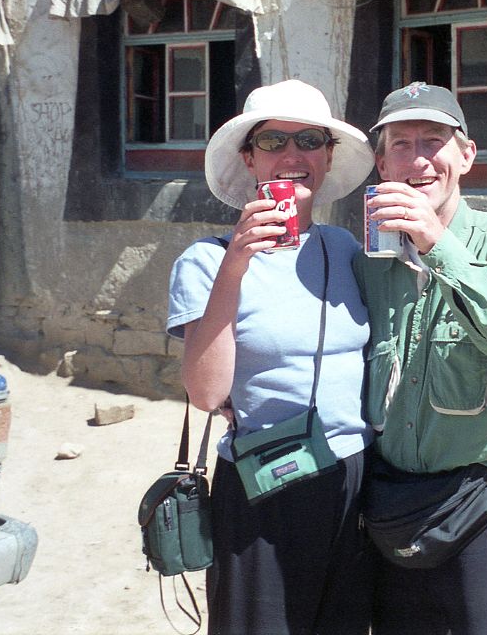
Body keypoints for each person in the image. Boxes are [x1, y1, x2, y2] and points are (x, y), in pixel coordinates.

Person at [166, 79, 375, 634]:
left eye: (309, 140)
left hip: (352, 474)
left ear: (328, 159)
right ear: (249, 158)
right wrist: (237, 262)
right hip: (264, 483)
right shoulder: (206, 262)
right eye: (273, 141)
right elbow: (206, 394)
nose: (292, 156)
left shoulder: (346, 249)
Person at [354, 82, 487, 634]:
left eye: (434, 140)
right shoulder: (368, 260)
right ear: (380, 163)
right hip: (392, 498)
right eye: (400, 144)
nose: (419, 159)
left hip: (484, 498)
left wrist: (438, 246)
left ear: (465, 155)